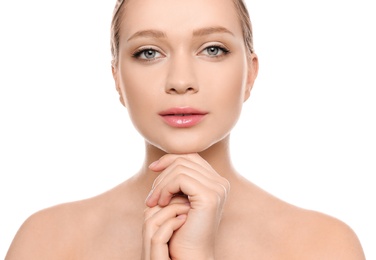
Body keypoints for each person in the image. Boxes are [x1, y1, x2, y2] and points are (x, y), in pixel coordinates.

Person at [5, 0, 366, 258]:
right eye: (148, 52)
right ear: (117, 78)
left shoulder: (325, 246)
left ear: (250, 75)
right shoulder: (46, 241)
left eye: (212, 49)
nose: (180, 81)